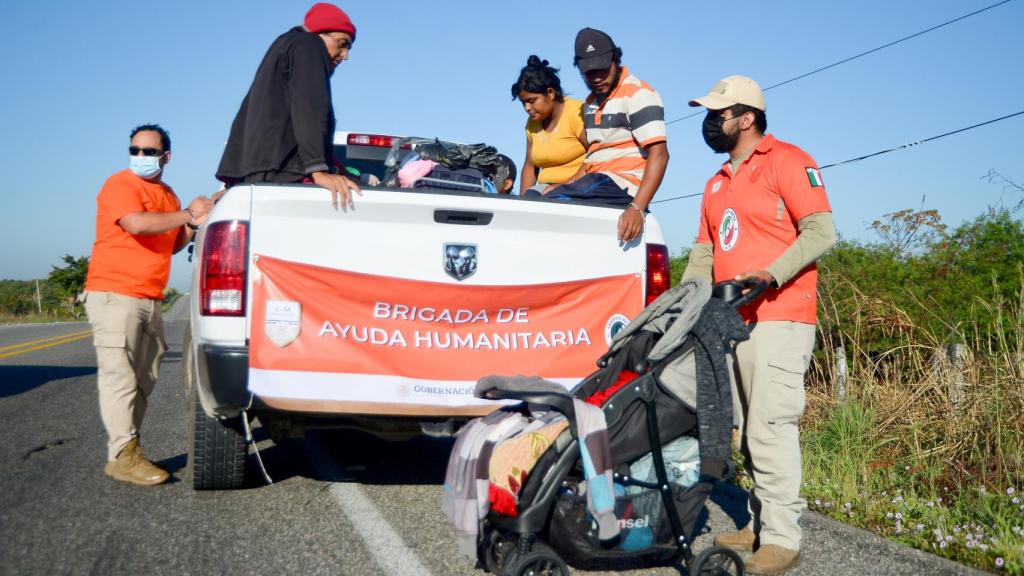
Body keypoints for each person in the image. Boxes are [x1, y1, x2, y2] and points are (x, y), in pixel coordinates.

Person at [682, 76, 836, 575]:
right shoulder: (715, 181)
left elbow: (821, 231)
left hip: (779, 315)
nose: (711, 121)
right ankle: (759, 524)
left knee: (771, 427)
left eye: (718, 113)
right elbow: (705, 249)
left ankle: (783, 539)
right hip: (732, 322)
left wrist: (773, 272)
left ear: (746, 117)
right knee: (748, 430)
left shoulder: (790, 160)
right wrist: (685, 301)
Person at [84, 124, 214, 486]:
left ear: (165, 156)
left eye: (148, 152)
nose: (139, 157)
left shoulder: (168, 195)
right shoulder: (120, 185)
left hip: (149, 296)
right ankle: (123, 454)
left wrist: (197, 222)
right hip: (115, 293)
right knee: (120, 376)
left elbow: (170, 242)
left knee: (144, 378)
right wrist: (188, 213)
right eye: (135, 150)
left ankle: (126, 451)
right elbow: (137, 224)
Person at [216, 3, 361, 211]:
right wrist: (317, 169)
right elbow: (310, 107)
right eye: (342, 43)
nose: (345, 55)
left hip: (259, 173)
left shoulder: (284, 45)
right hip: (285, 175)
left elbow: (249, 115)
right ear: (320, 33)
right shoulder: (310, 45)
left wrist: (233, 180)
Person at [546, 28, 669, 242]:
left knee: (553, 204)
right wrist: (564, 184)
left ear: (616, 59)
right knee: (536, 197)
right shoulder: (590, 103)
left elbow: (660, 154)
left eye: (602, 69)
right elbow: (593, 160)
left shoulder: (639, 94)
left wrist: (637, 208)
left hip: (622, 186)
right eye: (589, 73)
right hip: (597, 181)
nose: (597, 77)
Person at [511, 55, 587, 195]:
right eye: (523, 103)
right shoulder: (532, 124)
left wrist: (565, 186)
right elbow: (529, 166)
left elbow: (597, 156)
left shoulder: (577, 113)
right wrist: (522, 205)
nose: (527, 108)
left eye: (532, 101)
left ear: (550, 93)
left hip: (580, 187)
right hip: (546, 191)